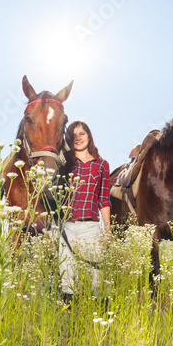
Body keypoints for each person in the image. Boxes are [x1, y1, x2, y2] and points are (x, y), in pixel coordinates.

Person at [59, 121, 111, 303]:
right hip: (66, 226)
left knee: (97, 277)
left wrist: (108, 231)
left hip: (90, 226)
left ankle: (102, 319)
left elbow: (104, 200)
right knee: (67, 276)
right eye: (73, 135)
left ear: (89, 136)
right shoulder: (64, 163)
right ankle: (70, 322)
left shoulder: (101, 165)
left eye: (82, 133)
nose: (78, 138)